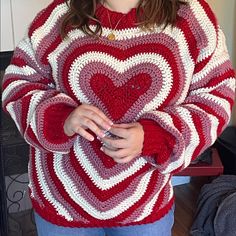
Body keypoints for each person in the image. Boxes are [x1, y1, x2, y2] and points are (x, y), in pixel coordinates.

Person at [2, 0, 235, 235]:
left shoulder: (191, 18)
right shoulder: (59, 15)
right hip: (62, 205)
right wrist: (60, 119)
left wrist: (155, 136)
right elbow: (18, 83)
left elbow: (216, 97)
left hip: (145, 206)